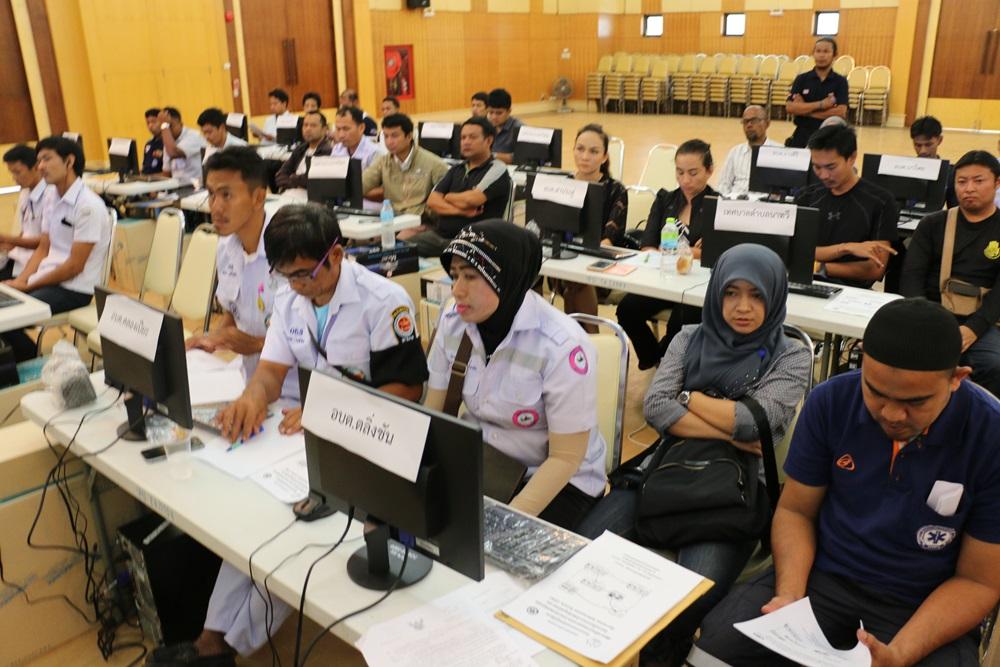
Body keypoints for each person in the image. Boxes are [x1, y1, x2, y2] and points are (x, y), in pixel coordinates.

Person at [149, 204, 428, 667]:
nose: (297, 285)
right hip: (307, 438)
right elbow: (271, 371)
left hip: (371, 441)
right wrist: (252, 398)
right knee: (255, 519)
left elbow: (407, 390)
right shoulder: (289, 299)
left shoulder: (384, 301)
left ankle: (223, 645)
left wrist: (327, 410)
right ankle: (211, 640)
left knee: (291, 535)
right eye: (286, 275)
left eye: (304, 274)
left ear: (335, 255)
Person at [689, 298, 1000, 667]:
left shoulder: (990, 436)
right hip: (821, 577)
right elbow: (796, 512)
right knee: (712, 653)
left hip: (923, 603)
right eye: (876, 392)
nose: (892, 414)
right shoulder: (831, 401)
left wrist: (901, 653)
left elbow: (979, 581)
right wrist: (789, 599)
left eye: (915, 402)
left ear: (956, 379)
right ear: (862, 359)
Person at [579, 244, 812, 665]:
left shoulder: (791, 355)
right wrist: (724, 423)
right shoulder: (688, 338)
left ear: (775, 296)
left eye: (756, 295)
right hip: (662, 470)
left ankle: (661, 656)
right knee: (580, 558)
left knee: (687, 600)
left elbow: (755, 423)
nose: (743, 307)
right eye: (731, 293)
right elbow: (656, 406)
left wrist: (688, 398)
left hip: (736, 489)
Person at [425, 221, 607, 529]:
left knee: (492, 551)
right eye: (454, 275)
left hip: (556, 479)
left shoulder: (562, 346)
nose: (457, 290)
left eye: (471, 276)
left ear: (506, 277)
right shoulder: (453, 321)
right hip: (487, 463)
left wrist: (501, 522)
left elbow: (565, 459)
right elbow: (434, 413)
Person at [185, 147, 298, 399]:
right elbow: (233, 311)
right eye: (211, 194)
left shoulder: (291, 250)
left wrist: (255, 344)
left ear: (258, 198)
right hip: (249, 378)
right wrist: (213, 339)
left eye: (226, 195)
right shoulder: (227, 247)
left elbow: (314, 341)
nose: (215, 207)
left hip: (293, 390)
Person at [900, 150, 1000, 397]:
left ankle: (981, 416)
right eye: (961, 181)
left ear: (997, 183)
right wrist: (926, 321)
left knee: (994, 364)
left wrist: (973, 330)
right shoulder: (933, 224)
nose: (969, 188)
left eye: (978, 181)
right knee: (898, 354)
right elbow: (912, 277)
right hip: (931, 314)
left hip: (983, 320)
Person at [0, 137, 110, 361]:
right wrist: (22, 280)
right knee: (6, 305)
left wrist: (28, 285)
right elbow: (43, 248)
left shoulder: (88, 206)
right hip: (48, 278)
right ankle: (26, 361)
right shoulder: (52, 196)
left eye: (47, 159)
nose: (40, 166)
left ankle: (31, 363)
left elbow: (74, 267)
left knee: (8, 314)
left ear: (69, 161)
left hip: (74, 289)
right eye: (39, 160)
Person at [616, 139, 718, 370]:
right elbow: (648, 246)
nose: (685, 180)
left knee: (681, 321)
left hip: (696, 286)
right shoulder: (665, 199)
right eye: (680, 172)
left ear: (709, 170)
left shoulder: (718, 205)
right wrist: (691, 251)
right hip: (663, 279)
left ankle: (669, 361)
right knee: (627, 309)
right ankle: (654, 357)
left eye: (693, 173)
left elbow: (715, 255)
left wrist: (675, 251)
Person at [795, 124, 899, 289]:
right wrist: (845, 248)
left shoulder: (881, 201)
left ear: (851, 158)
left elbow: (875, 268)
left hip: (852, 291)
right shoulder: (806, 197)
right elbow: (796, 252)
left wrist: (820, 267)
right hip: (804, 284)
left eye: (831, 167)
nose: (823, 175)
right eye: (817, 167)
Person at [548, 124, 628, 332]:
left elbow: (609, 238)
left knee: (577, 281)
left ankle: (584, 337)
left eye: (593, 151)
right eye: (580, 149)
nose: (585, 157)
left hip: (598, 268)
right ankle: (584, 338)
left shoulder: (616, 190)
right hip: (563, 263)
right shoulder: (561, 184)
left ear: (604, 157)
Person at [411, 117, 512, 257]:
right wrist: (462, 211)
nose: (466, 142)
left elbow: (472, 200)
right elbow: (433, 201)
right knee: (398, 251)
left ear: (489, 140)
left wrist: (448, 196)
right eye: (463, 138)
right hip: (439, 236)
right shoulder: (456, 169)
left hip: (474, 242)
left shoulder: (497, 169)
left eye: (472, 137)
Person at [361, 112, 449, 216]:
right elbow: (361, 185)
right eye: (386, 136)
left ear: (409, 136)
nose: (389, 142)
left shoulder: (434, 164)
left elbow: (447, 199)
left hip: (421, 219)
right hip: (393, 218)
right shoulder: (383, 162)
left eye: (394, 136)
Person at [785, 37, 848, 148]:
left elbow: (840, 112)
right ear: (813, 54)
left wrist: (804, 110)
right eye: (818, 51)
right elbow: (790, 108)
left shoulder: (840, 81)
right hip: (802, 135)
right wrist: (821, 105)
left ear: (834, 55)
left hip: (829, 136)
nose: (821, 55)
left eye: (826, 51)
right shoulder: (802, 79)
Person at [1, 145, 48, 281]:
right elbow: (26, 232)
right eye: (12, 173)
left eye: (17, 172)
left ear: (36, 167)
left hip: (35, 264)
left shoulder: (50, 196)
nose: (14, 178)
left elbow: (45, 243)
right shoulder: (25, 192)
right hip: (18, 257)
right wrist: (7, 245)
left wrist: (7, 239)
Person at [717, 105, 781, 197]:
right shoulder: (735, 152)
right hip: (735, 203)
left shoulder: (779, 152)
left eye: (754, 121)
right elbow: (723, 184)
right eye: (745, 122)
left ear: (767, 124)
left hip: (764, 204)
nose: (749, 125)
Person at [331, 106, 387, 209]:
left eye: (346, 129)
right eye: (338, 129)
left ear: (361, 128)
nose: (341, 135)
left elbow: (385, 191)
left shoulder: (375, 152)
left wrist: (351, 190)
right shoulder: (337, 149)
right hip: (342, 206)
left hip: (369, 208)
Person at [274, 110, 332, 193]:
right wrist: (296, 181)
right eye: (305, 125)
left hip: (309, 197)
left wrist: (292, 178)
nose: (308, 129)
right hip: (289, 194)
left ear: (324, 129)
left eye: (313, 125)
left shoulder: (327, 151)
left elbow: (311, 180)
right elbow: (279, 175)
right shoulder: (300, 149)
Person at [911, 115, 957, 208]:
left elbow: (954, 209)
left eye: (928, 145)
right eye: (918, 145)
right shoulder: (902, 169)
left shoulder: (950, 173)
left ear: (940, 140)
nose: (923, 151)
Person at [157, 106, 207, 185]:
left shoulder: (194, 136)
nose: (167, 130)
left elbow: (173, 152)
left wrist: (164, 125)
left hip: (195, 187)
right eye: (165, 128)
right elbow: (166, 172)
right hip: (177, 187)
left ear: (180, 123)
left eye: (170, 126)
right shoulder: (169, 141)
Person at [486, 88, 522, 164]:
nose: (494, 117)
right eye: (491, 112)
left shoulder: (519, 128)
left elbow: (521, 157)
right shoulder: (485, 125)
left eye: (499, 113)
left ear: (509, 111)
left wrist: (491, 156)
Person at [141, 107, 164, 175]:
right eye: (148, 123)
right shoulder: (148, 144)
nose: (150, 126)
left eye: (154, 122)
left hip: (162, 180)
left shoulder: (169, 142)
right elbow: (145, 167)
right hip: (147, 179)